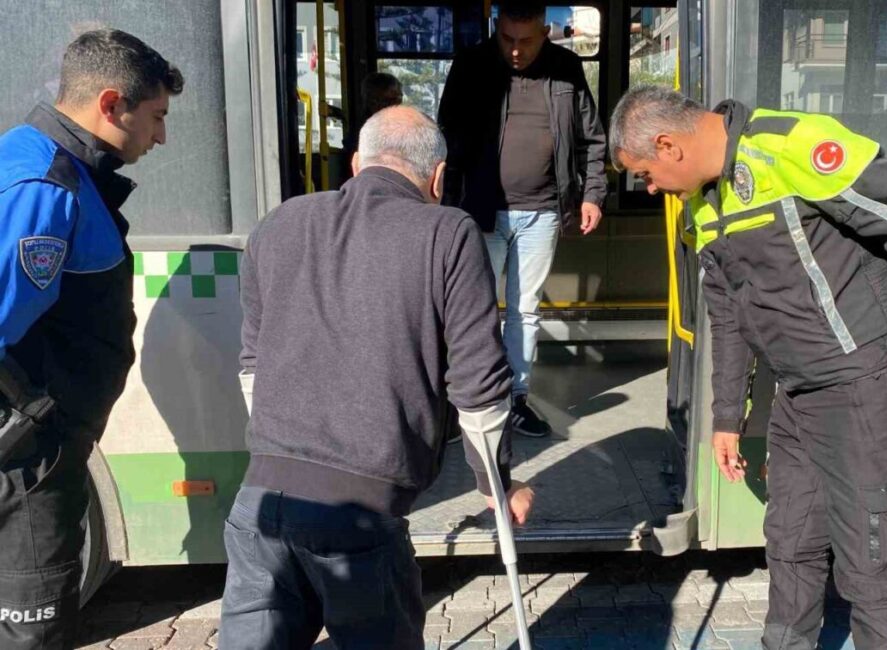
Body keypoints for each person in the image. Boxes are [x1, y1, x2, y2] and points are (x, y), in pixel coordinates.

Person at [609, 86, 887, 650]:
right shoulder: (703, 204)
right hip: (798, 398)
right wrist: (727, 415)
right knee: (791, 543)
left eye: (645, 174)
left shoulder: (789, 146)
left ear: (667, 145)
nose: (649, 188)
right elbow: (726, 314)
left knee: (872, 565)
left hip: (866, 384)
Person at [221, 106, 535, 648]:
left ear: (355, 164)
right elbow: (479, 386)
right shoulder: (448, 231)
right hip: (360, 517)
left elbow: (254, 368)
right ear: (438, 178)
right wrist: (496, 484)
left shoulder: (278, 223)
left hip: (258, 506)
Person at [0, 29, 183, 648]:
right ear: (111, 105)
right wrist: (36, 420)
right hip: (29, 459)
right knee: (36, 631)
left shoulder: (40, 161)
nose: (161, 136)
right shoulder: (46, 190)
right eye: (156, 117)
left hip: (38, 445)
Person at [437, 0, 607, 438]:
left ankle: (516, 398)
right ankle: (469, 403)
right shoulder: (471, 65)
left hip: (544, 210)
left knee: (525, 312)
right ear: (497, 30)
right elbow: (446, 137)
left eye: (525, 42)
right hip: (480, 209)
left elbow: (591, 138)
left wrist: (592, 195)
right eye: (507, 40)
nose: (515, 51)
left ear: (544, 34)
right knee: (473, 313)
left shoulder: (567, 69)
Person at [336, 71, 403, 183]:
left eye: (399, 99)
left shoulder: (401, 128)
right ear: (373, 102)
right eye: (390, 101)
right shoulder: (362, 135)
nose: (397, 106)